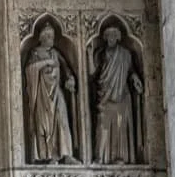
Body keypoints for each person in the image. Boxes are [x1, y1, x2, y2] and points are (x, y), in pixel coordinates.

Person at [88, 25, 143, 164]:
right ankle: (100, 157)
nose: (111, 38)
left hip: (121, 94)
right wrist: (89, 55)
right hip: (105, 94)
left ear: (118, 37)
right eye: (108, 35)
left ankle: (120, 157)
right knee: (103, 125)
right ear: (105, 37)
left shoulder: (125, 54)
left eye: (113, 35)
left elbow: (130, 71)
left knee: (120, 125)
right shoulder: (100, 53)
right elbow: (92, 73)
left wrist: (135, 78)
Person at [24, 23, 77, 163]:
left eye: (52, 36)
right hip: (42, 93)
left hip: (56, 90)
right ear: (42, 38)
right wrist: (46, 62)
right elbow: (29, 69)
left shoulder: (55, 53)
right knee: (44, 123)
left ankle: (66, 154)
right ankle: (47, 156)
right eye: (48, 36)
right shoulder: (35, 53)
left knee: (62, 118)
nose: (51, 39)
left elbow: (65, 67)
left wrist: (70, 77)